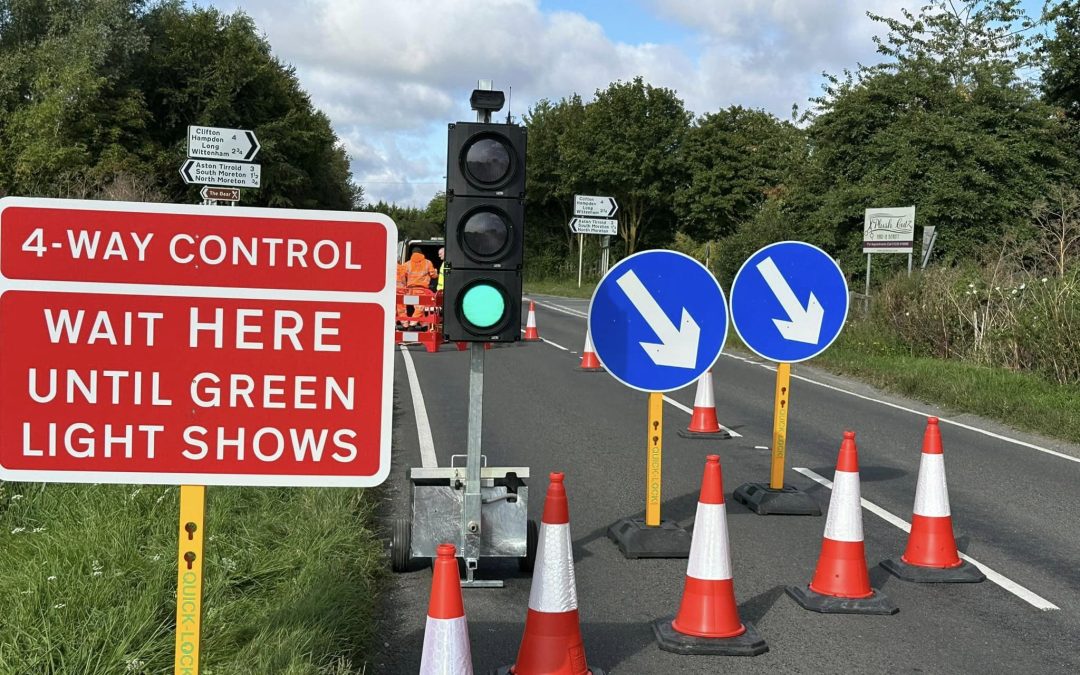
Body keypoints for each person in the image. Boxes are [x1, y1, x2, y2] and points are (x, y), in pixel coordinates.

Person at [403, 247, 437, 329]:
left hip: (410, 290)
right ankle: (412, 324)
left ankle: (424, 325)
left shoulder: (407, 264)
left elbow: (402, 275)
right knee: (420, 308)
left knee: (418, 307)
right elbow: (434, 275)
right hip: (422, 290)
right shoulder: (427, 263)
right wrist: (435, 272)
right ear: (421, 253)